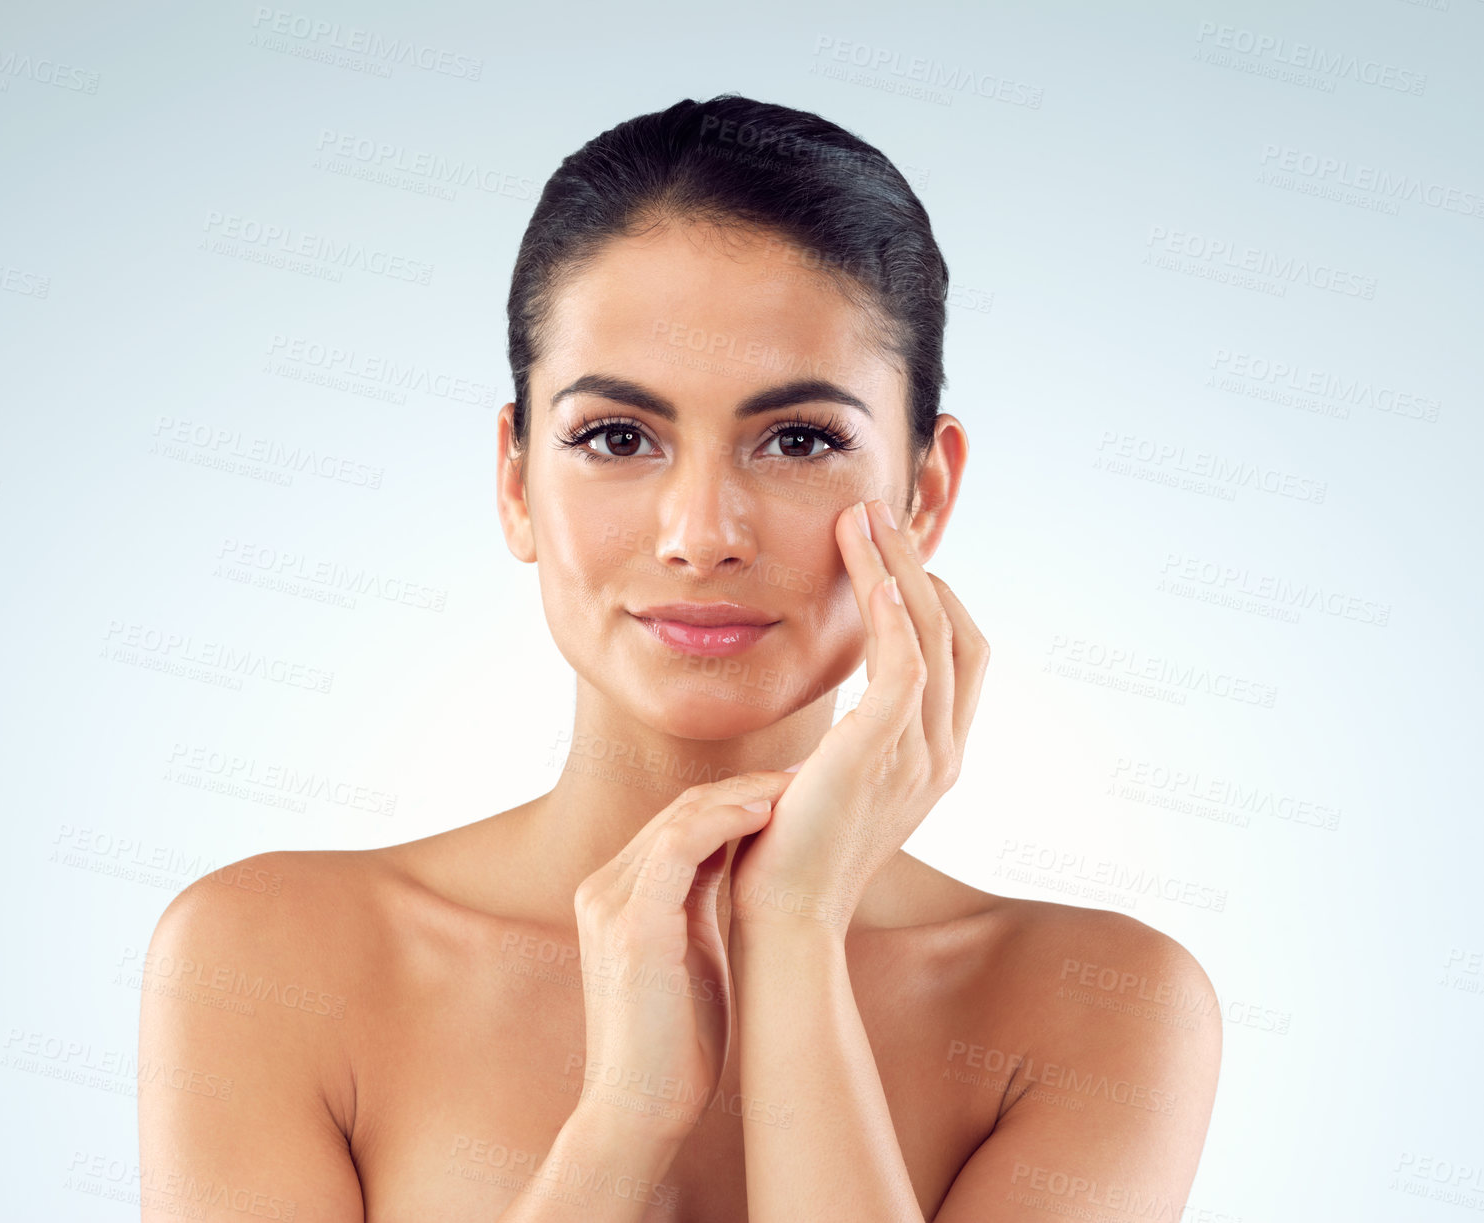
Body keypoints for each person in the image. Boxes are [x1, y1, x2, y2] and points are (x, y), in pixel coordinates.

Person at [138, 93, 1221, 1222]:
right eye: (617, 436)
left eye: (799, 440)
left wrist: (793, 929)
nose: (700, 531)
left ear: (924, 490)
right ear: (515, 483)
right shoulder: (269, 956)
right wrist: (623, 1117)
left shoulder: (1101, 1009)